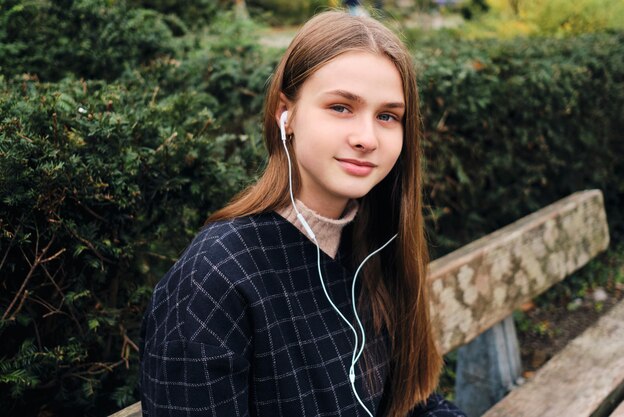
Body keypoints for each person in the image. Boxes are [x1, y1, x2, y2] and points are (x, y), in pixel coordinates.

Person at [140, 10, 467, 417]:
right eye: (341, 107)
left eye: (387, 116)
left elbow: (410, 403)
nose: (366, 138)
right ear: (286, 113)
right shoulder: (216, 279)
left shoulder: (376, 242)